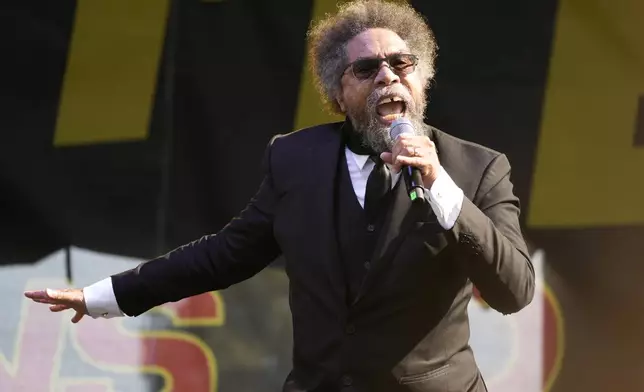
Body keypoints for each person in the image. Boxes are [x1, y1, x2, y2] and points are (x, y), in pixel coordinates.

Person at [25, 1, 535, 391]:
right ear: (338, 93)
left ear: (421, 80)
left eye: (401, 64)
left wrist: (439, 188)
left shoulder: (477, 168)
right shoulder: (296, 160)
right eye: (367, 68)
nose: (387, 76)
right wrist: (102, 298)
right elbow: (223, 255)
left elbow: (514, 290)